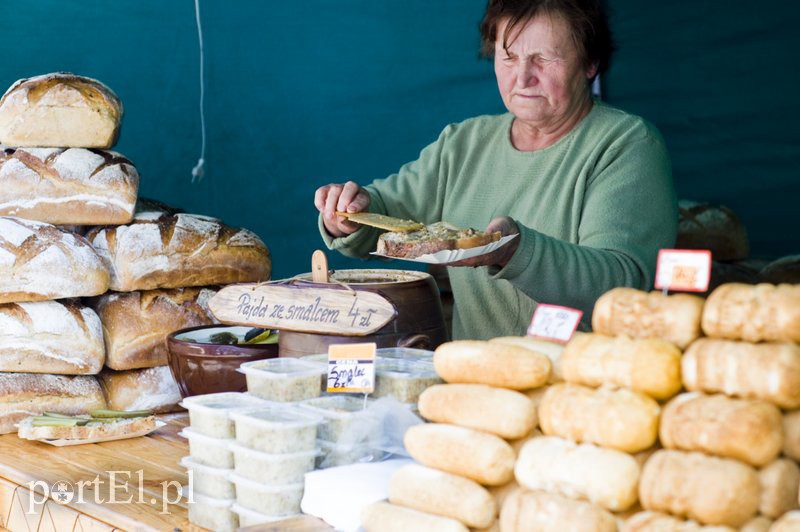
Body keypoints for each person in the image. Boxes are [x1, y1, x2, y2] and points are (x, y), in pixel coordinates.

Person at [314, 0, 677, 340]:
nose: (523, 77)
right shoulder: (464, 143)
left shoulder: (627, 143)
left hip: (581, 378)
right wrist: (351, 213)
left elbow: (622, 288)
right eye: (509, 57)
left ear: (590, 62)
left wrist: (515, 251)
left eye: (543, 59)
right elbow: (386, 215)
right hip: (476, 375)